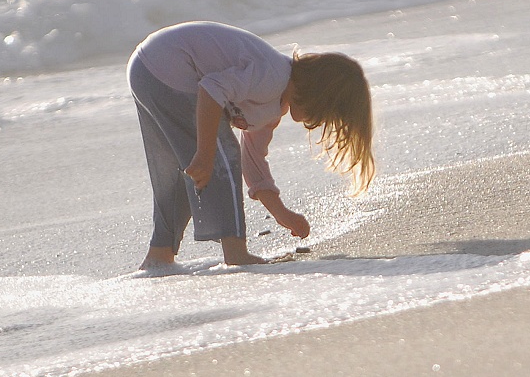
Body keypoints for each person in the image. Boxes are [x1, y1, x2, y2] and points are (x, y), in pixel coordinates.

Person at [126, 21, 374, 269]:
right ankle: (235, 253)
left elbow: (253, 163)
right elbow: (211, 89)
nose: (322, 121)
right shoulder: (273, 77)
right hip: (168, 64)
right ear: (321, 94)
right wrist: (205, 153)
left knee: (183, 172)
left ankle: (159, 254)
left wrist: (281, 213)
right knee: (221, 155)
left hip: (146, 68)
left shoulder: (272, 108)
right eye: (329, 113)